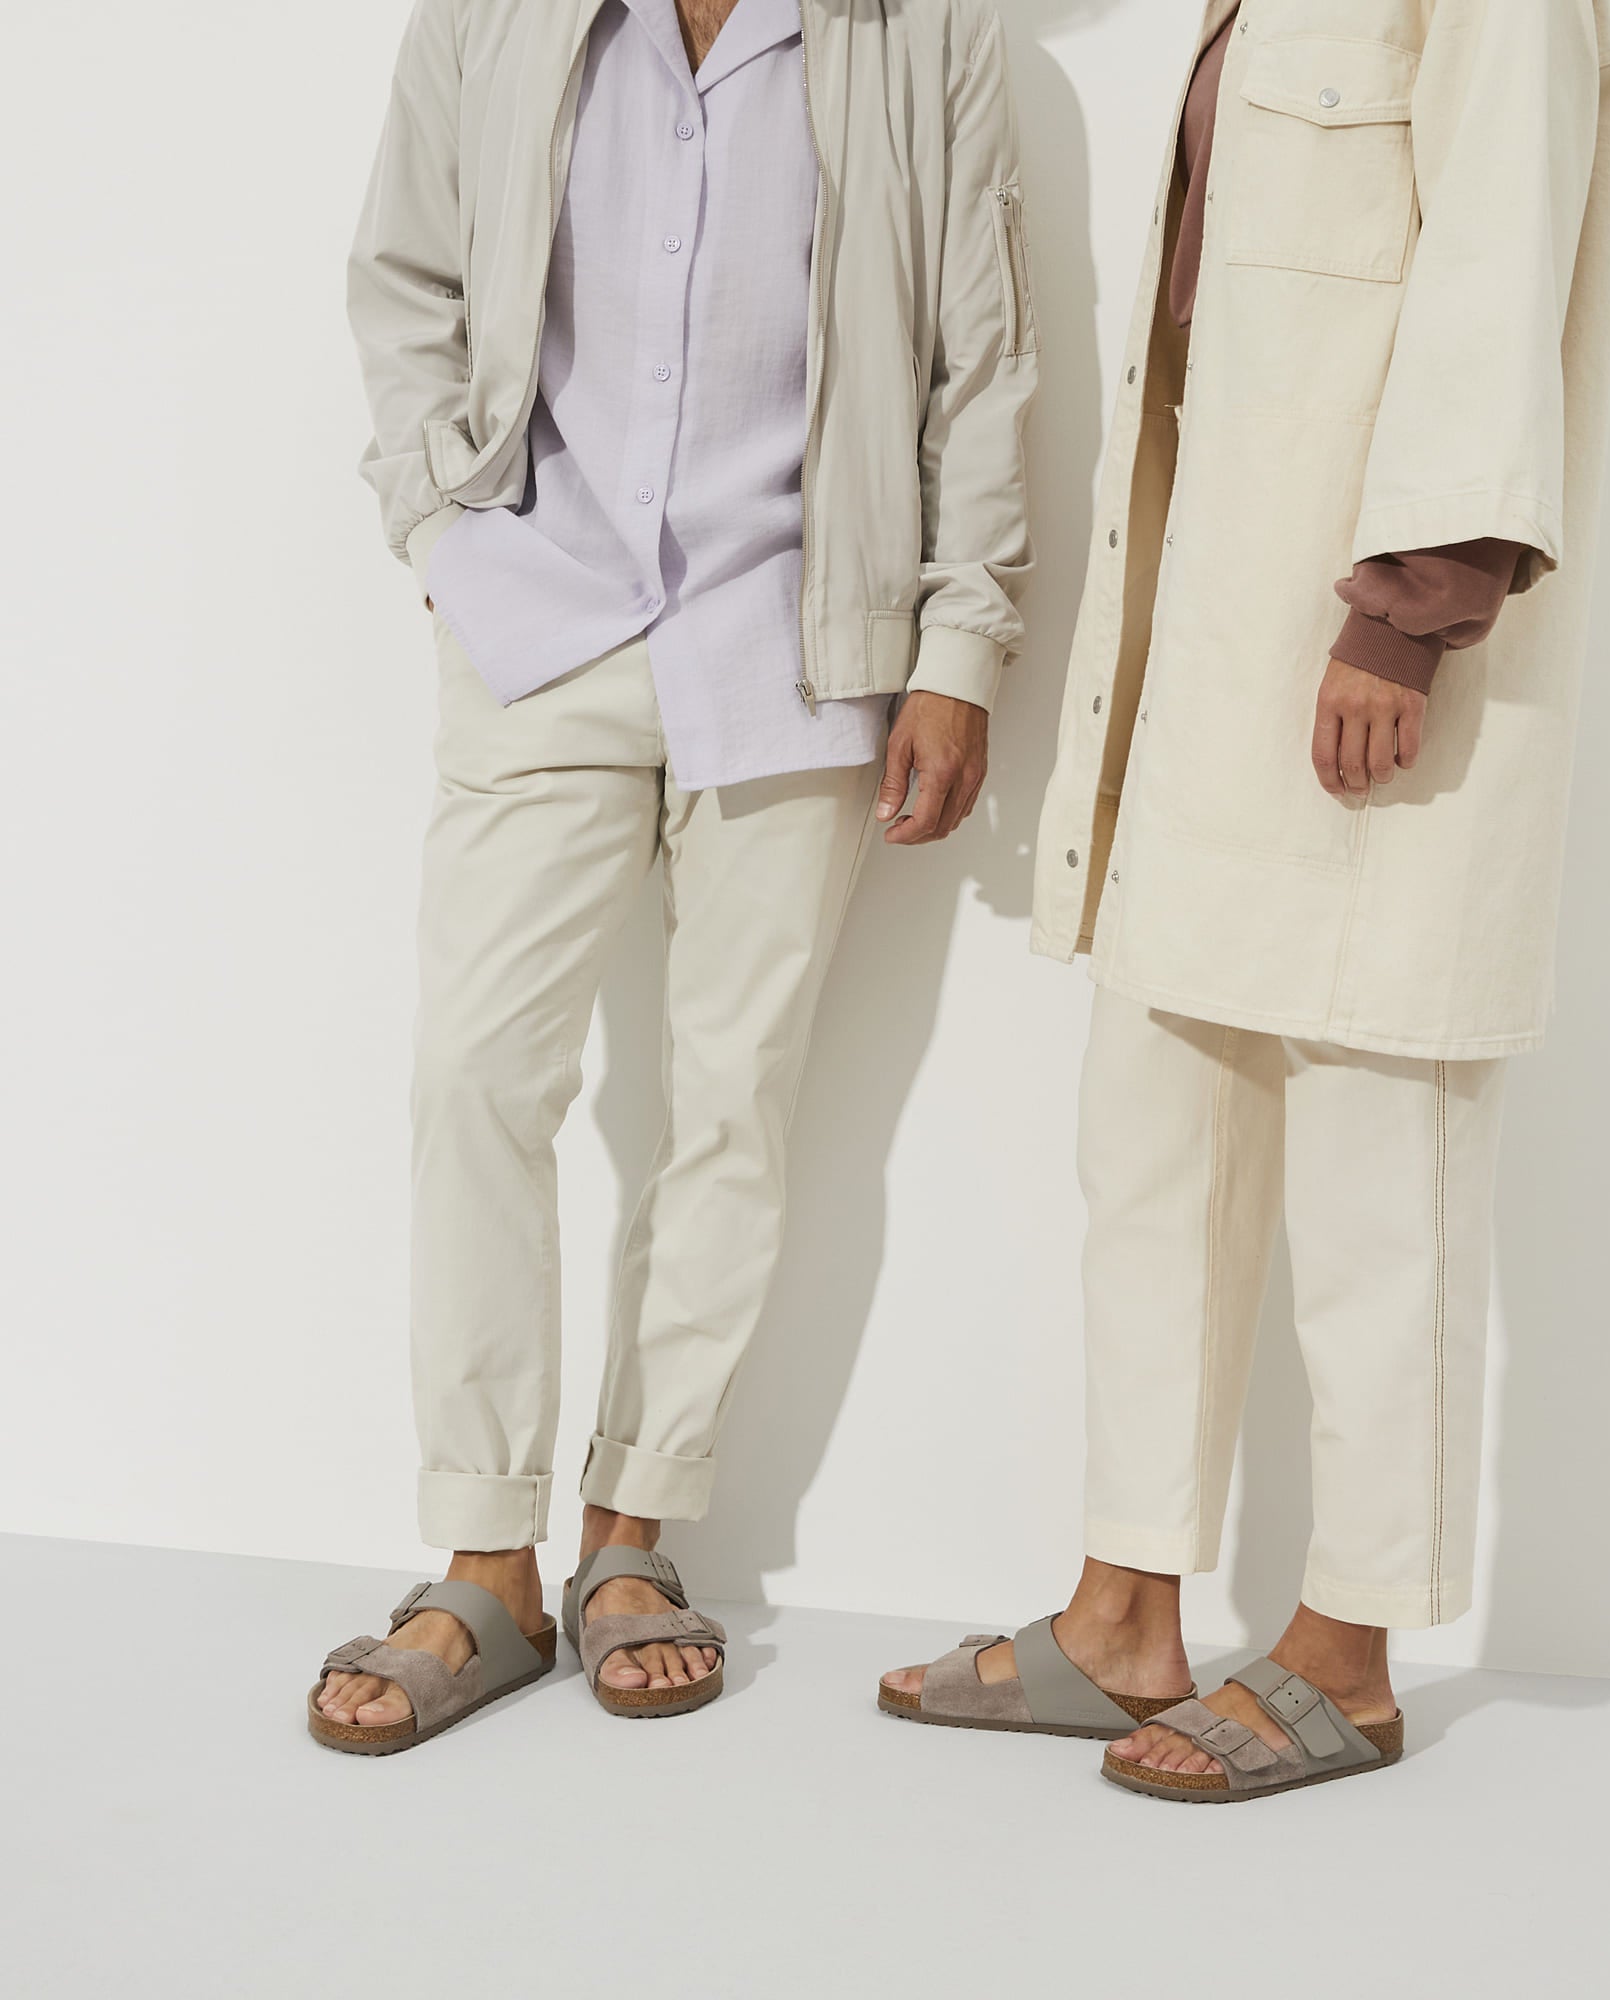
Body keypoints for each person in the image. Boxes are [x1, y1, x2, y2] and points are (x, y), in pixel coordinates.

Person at [881, 0, 1610, 1803]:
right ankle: (1123, 1611)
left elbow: (1498, 265)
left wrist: (1409, 611)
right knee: (1152, 1135)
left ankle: (1347, 1656)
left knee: (1380, 1150)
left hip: (1376, 659)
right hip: (1214, 655)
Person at [310, 0, 1035, 1754]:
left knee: (733, 1101)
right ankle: (486, 1556)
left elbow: (982, 363)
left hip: (797, 635)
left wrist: (959, 645)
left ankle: (633, 1536)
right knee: (475, 1074)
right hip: (539, 621)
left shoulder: (924, 32)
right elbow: (403, 278)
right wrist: (441, 529)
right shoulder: (489, 16)